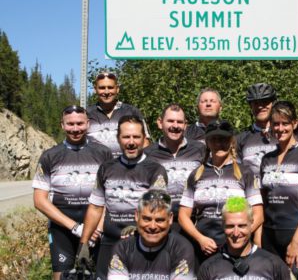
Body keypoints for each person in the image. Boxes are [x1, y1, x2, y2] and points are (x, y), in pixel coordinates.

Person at [76, 115, 168, 280]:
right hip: (109, 243)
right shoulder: (106, 168)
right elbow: (96, 207)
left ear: (144, 139)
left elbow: (156, 210)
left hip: (142, 244)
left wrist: (138, 228)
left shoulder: (156, 170)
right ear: (118, 139)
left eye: (136, 137)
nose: (131, 142)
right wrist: (84, 244)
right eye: (126, 137)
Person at [32, 105, 112, 280]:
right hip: (62, 229)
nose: (75, 129)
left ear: (88, 124)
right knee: (61, 275)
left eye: (79, 124)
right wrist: (75, 228)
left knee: (100, 275)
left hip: (96, 228)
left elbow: (110, 195)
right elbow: (39, 200)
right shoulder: (49, 156)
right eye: (70, 124)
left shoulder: (104, 153)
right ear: (62, 125)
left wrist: (97, 228)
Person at [178, 120, 264, 266]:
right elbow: (183, 216)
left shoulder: (245, 173)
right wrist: (200, 239)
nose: (219, 144)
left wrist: (239, 237)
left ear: (231, 142)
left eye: (223, 139)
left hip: (237, 246)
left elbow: (259, 215)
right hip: (204, 248)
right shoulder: (196, 174)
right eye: (214, 139)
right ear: (207, 142)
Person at [259, 101, 298, 271]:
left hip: (295, 234)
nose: (280, 129)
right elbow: (263, 203)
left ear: (294, 124)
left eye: (285, 123)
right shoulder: (267, 159)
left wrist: (297, 240)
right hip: (269, 236)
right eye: (276, 124)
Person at [198, 196, 295, 280]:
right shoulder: (208, 268)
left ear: (252, 223)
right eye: (230, 226)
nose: (236, 233)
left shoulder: (274, 265)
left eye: (242, 226)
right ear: (223, 225)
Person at [107, 189, 195, 280]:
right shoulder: (122, 248)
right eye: (147, 219)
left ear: (170, 218)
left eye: (159, 220)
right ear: (137, 216)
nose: (152, 226)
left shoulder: (182, 248)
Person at [145, 104, 205, 231]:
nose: (175, 126)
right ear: (160, 123)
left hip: (194, 222)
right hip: (160, 223)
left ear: (185, 125)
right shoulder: (147, 154)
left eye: (179, 122)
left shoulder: (200, 150)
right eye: (170, 121)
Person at [87, 72, 150, 157]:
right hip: (96, 167)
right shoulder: (87, 114)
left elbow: (145, 142)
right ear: (95, 89)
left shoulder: (132, 111)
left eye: (110, 87)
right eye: (102, 88)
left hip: (127, 167)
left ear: (117, 89)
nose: (106, 92)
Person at [236, 82, 278, 182]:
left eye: (265, 102)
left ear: (273, 104)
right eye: (256, 103)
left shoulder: (284, 135)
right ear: (251, 106)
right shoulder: (240, 139)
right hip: (251, 193)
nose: (260, 107)